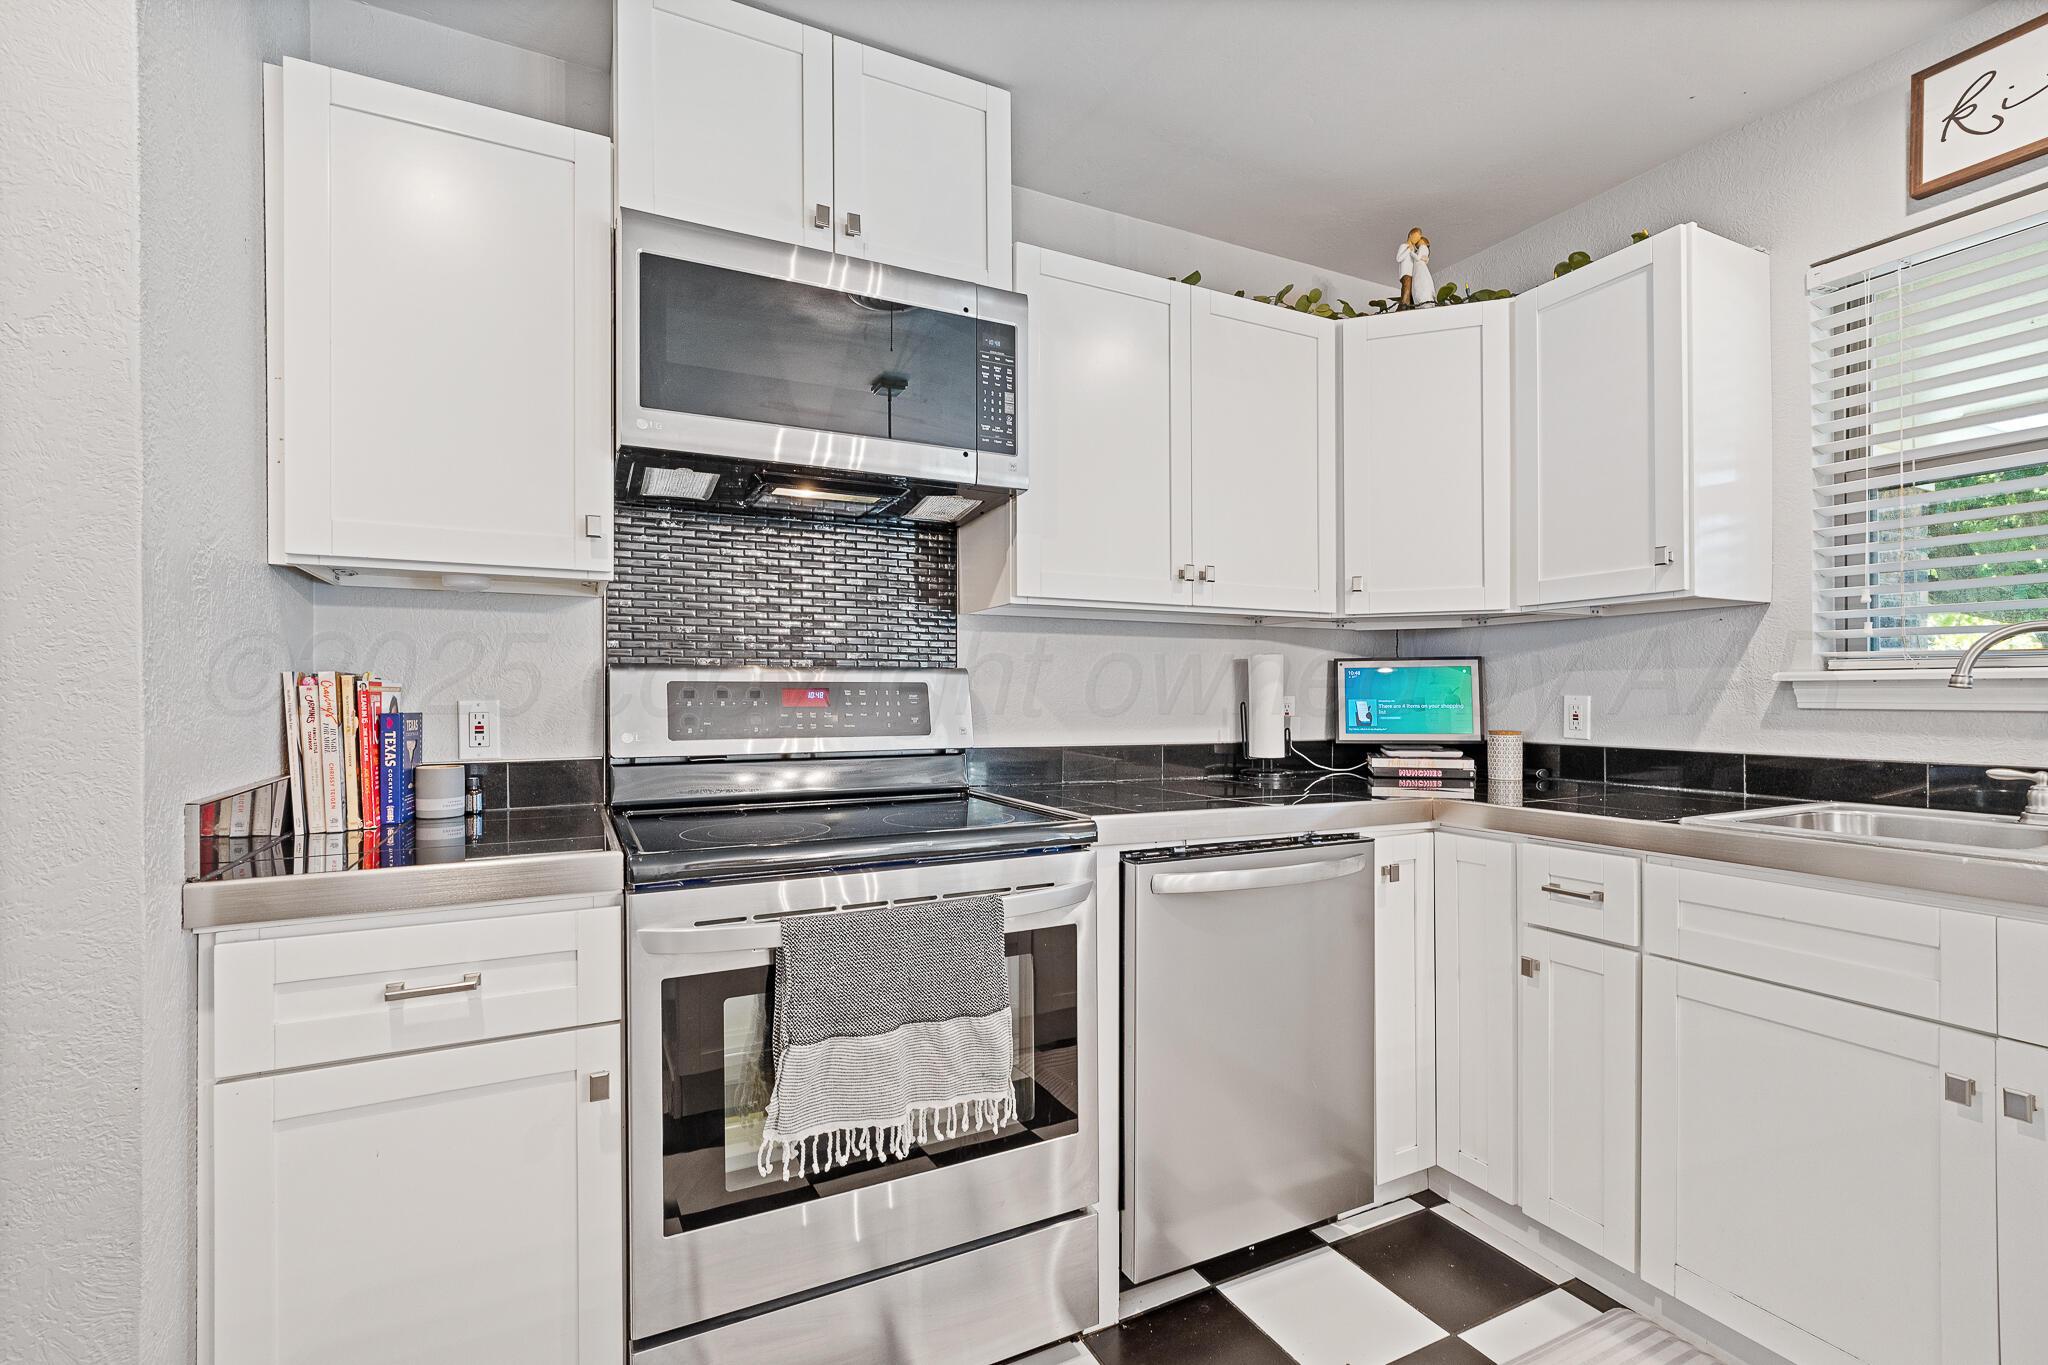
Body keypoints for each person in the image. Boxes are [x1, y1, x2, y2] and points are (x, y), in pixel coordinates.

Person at [1397, 228, 1433, 309]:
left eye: (1418, 239)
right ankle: (1403, 307)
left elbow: (1417, 259)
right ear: (1410, 235)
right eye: (1415, 237)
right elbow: (1398, 258)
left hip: (1412, 273)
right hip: (1406, 272)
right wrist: (1408, 250)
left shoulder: (1413, 249)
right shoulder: (1404, 246)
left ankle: (1408, 307)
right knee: (1406, 290)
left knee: (1411, 291)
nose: (1416, 240)